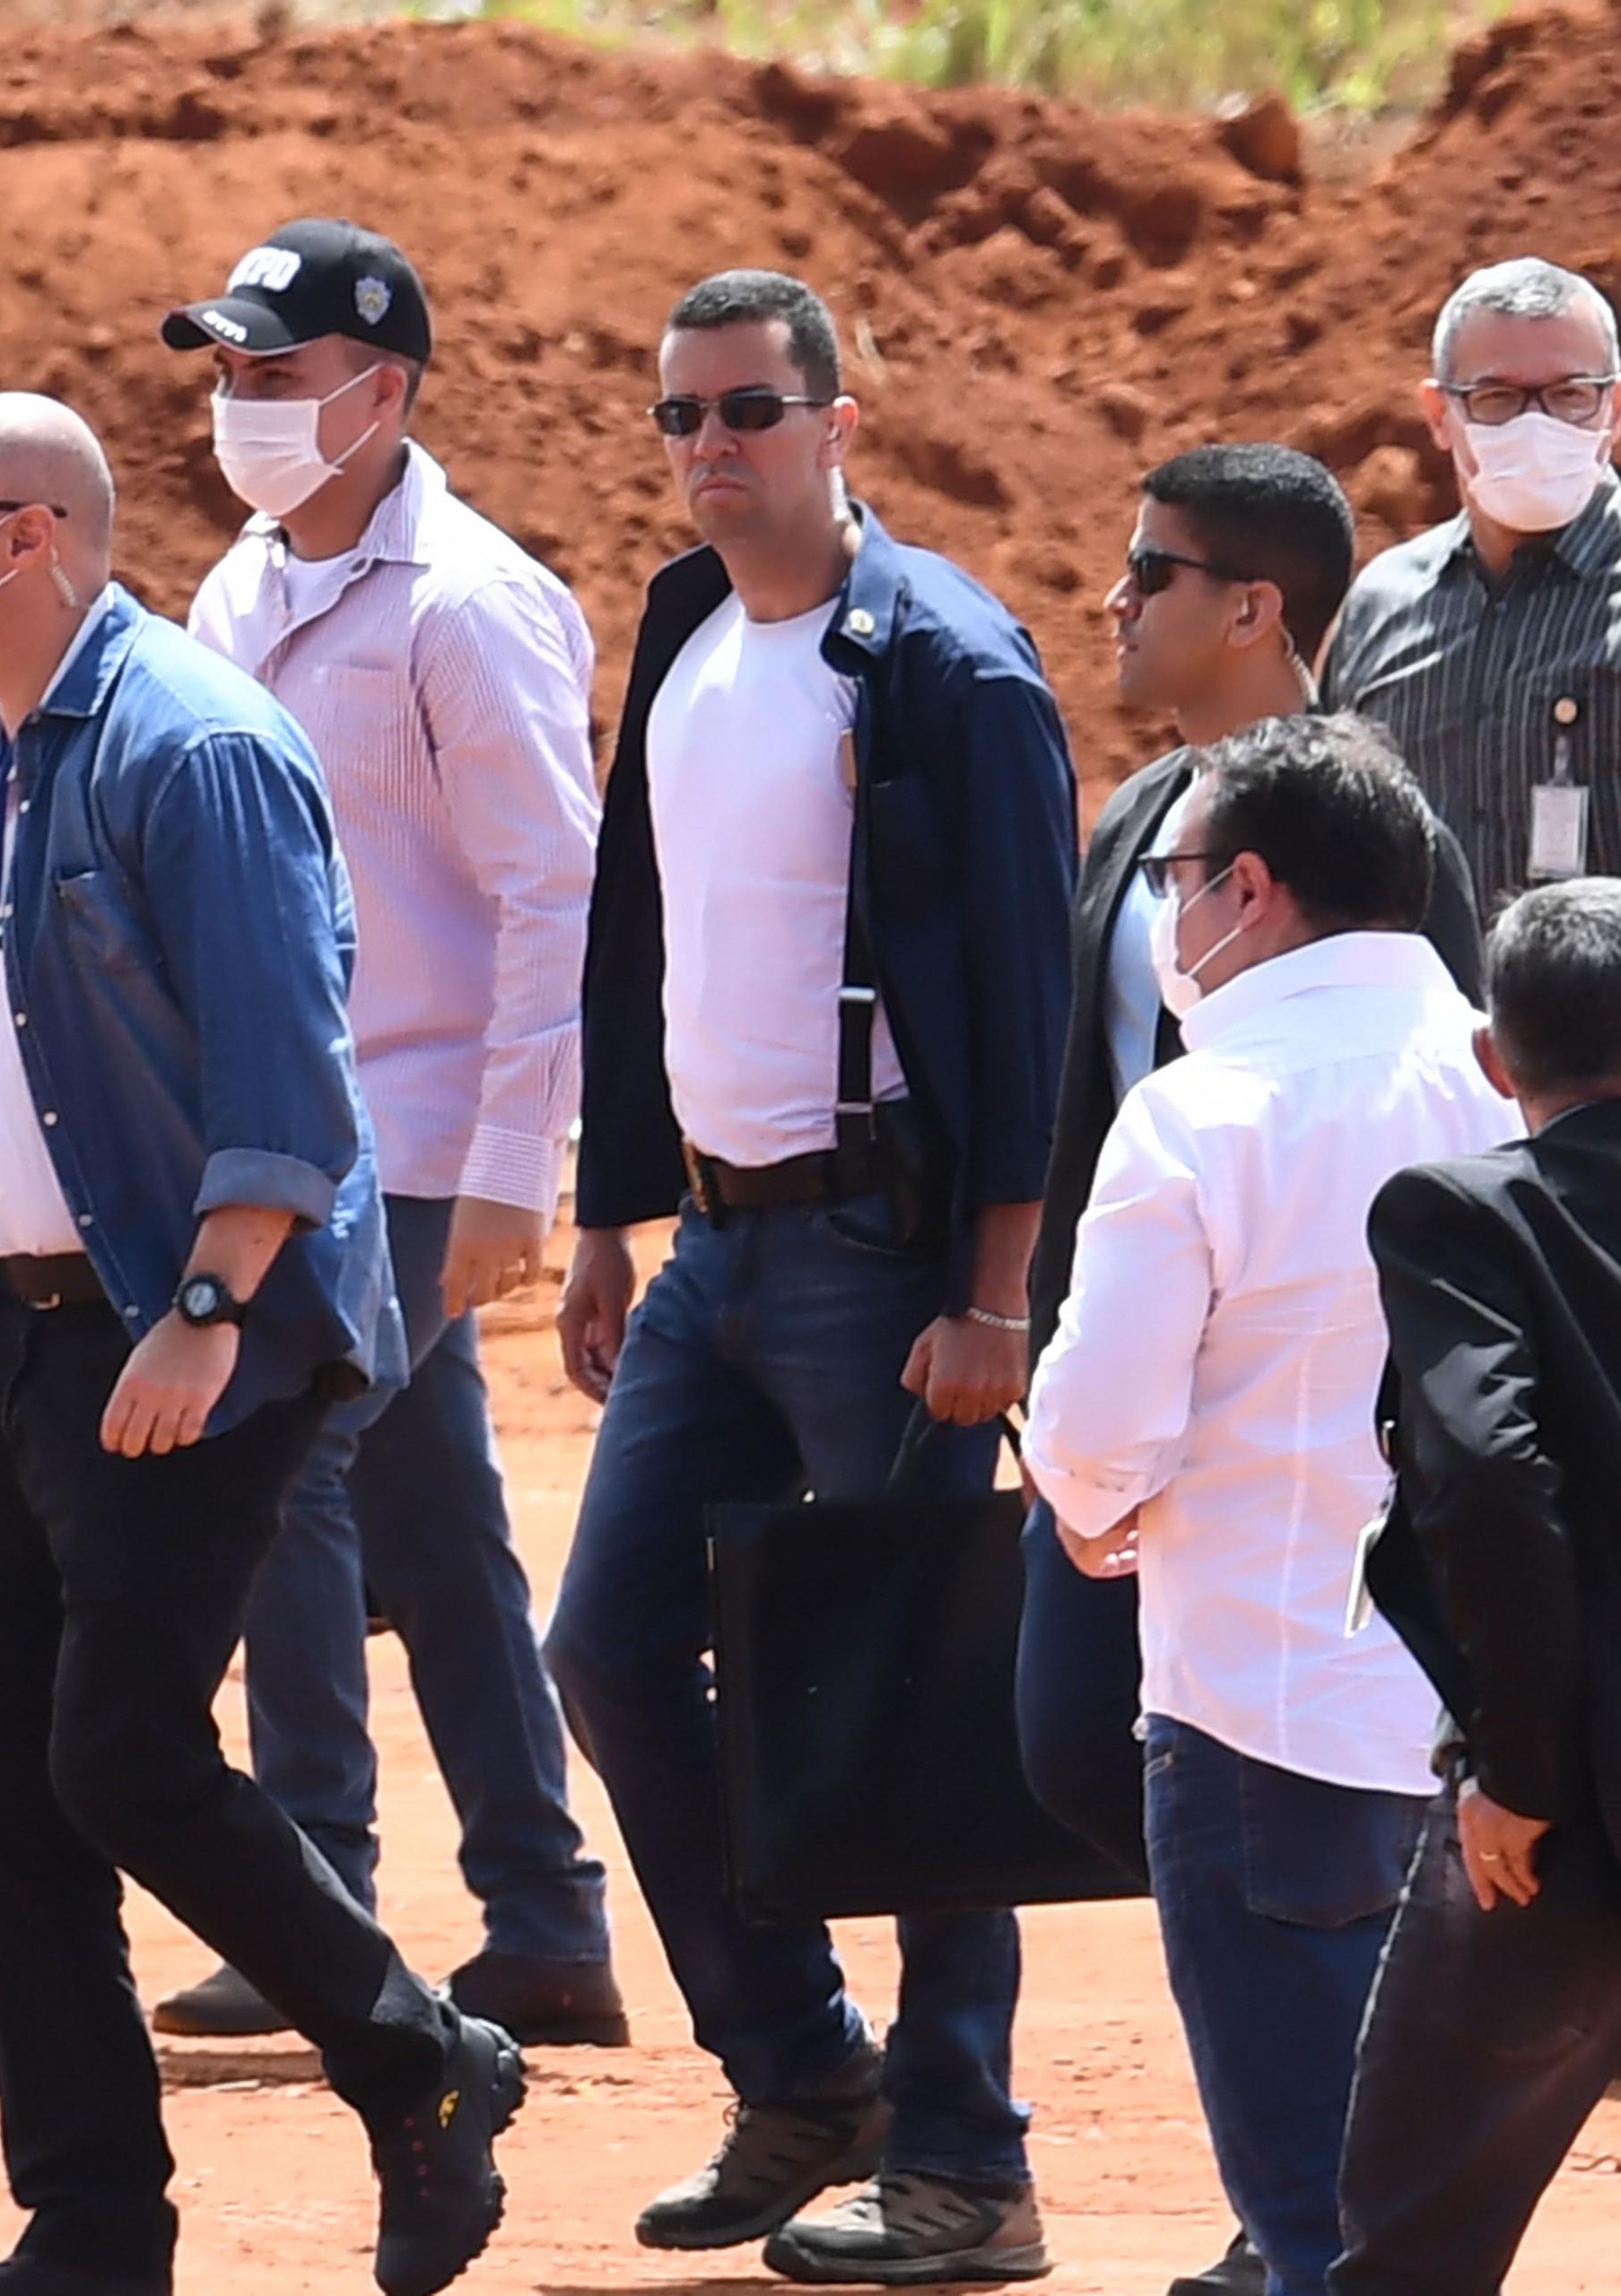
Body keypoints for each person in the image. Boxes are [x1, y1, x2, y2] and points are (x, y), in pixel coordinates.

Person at [0, 389, 522, 2296]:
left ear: (34, 532)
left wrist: (211, 1302)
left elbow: (286, 1056)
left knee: (122, 1754)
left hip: (193, 1328)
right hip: (26, 1337)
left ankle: (421, 2056)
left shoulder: (198, 746)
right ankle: (95, 2220)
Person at [542, 268, 1072, 2283]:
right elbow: (632, 933)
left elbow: (1028, 1013)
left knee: (925, 1701)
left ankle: (968, 2159)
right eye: (680, 416)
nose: (709, 451)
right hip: (715, 1245)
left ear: (844, 423)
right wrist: (607, 1208)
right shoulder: (686, 627)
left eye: (749, 412)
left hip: (888, 1253)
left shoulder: (945, 665)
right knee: (605, 1646)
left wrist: (999, 1289)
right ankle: (799, 2063)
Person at [148, 219, 621, 2050]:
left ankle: (318, 1902)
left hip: (415, 1140)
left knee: (293, 1495)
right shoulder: (240, 591)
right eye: (230, 371)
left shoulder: (465, 604)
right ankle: (546, 1912)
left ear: (386, 387)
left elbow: (552, 894)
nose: (242, 403)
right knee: (431, 1527)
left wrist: (520, 1160)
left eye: (275, 372)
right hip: (302, 1130)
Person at [1024, 444, 1483, 2296]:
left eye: (1190, 879)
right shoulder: (1501, 1080)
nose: (1169, 905)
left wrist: (1101, 1505)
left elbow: (1095, 1432)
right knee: (1438, 2214)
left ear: (1259, 890)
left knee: (1315, 2223)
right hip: (1476, 1729)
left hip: (1258, 1708)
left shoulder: (1202, 1113)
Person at [1338, 878, 1621, 2293]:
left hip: (1561, 1831)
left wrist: (1521, 1766)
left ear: (1494, 1061)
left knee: (1416, 2248)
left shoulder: (1467, 1215)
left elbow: (1493, 1478)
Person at [1322, 257, 1621, 911]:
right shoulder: (1383, 606)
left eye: (1572, 394)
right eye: (1498, 399)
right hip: (1418, 1010)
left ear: (1615, 406)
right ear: (1439, 414)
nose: (1538, 426)